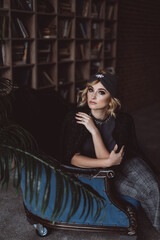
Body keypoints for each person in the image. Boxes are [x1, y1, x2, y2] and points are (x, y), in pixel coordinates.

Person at [60, 70, 160, 233]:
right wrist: (93, 131)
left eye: (101, 92)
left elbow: (117, 158)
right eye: (91, 90)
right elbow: (74, 158)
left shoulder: (123, 121)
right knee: (137, 192)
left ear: (111, 98)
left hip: (124, 160)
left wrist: (98, 138)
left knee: (153, 186)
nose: (93, 96)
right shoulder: (76, 118)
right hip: (99, 171)